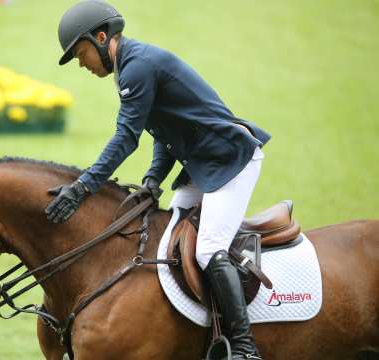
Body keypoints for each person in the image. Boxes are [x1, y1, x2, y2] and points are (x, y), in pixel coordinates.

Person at [45, 1, 269, 359]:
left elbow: (126, 137)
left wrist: (83, 186)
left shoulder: (137, 67)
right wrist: (153, 179)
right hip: (201, 163)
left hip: (231, 159)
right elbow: (163, 130)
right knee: (169, 234)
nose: (82, 64)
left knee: (209, 248)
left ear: (101, 38)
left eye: (81, 53)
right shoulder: (130, 66)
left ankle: (244, 348)